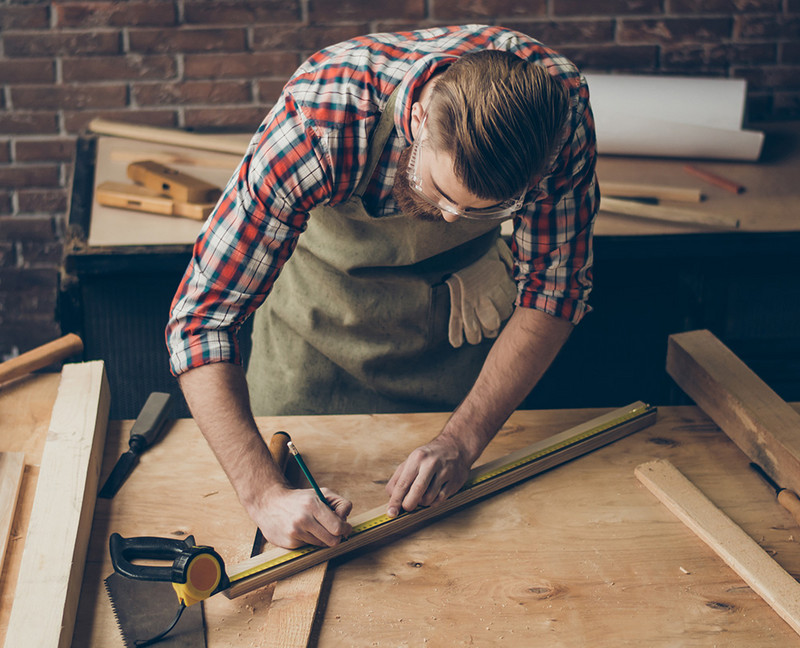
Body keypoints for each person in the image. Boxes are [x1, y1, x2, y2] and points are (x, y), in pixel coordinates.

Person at [166, 25, 598, 551]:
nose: (450, 219)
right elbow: (201, 320)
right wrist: (262, 494)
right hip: (314, 344)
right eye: (440, 192)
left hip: (454, 346)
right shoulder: (322, 119)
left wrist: (461, 441)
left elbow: (556, 290)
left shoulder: (560, 113)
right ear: (417, 119)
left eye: (485, 211)